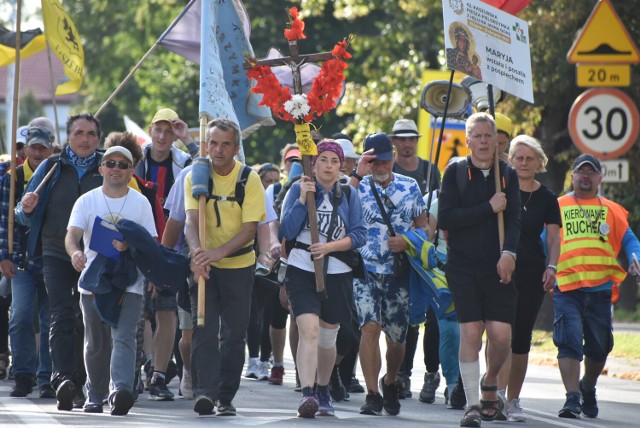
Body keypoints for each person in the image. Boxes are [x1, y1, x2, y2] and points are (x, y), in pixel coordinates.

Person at [16, 113, 104, 411]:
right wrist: (26, 208)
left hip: (95, 255)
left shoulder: (108, 167)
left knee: (87, 318)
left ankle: (82, 382)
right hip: (54, 251)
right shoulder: (52, 166)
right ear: (68, 137)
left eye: (91, 134)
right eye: (79, 133)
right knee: (61, 314)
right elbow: (21, 212)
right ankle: (63, 378)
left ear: (98, 139)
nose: (85, 139)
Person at [438, 112, 521, 427]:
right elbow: (447, 218)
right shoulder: (456, 172)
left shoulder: (508, 175)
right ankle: (472, 404)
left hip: (497, 264)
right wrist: (488, 207)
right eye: (478, 136)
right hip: (462, 265)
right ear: (468, 139)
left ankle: (490, 381)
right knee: (471, 331)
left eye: (489, 136)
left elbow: (513, 219)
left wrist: (509, 253)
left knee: (501, 336)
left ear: (497, 141)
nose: (485, 142)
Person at [65, 146, 156, 415]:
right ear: (101, 169)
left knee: (125, 337)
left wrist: (131, 246)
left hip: (130, 281)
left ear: (131, 172)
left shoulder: (141, 202)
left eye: (124, 164)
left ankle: (120, 392)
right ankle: (95, 394)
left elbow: (150, 242)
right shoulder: (86, 201)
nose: (116, 168)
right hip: (93, 280)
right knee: (96, 342)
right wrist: (76, 253)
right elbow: (72, 235)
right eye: (111, 163)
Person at [185, 118, 266, 416]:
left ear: (235, 148)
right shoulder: (196, 175)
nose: (218, 150)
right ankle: (204, 392)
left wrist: (216, 253)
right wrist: (197, 254)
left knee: (233, 335)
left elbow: (249, 230)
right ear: (207, 145)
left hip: (238, 265)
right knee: (203, 328)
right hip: (204, 265)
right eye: (213, 143)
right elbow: (191, 222)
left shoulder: (249, 178)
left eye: (225, 144)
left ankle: (225, 396)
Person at [280, 140, 366, 417]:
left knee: (328, 337)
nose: (328, 166)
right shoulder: (298, 189)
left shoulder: (350, 195)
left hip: (337, 271)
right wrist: (304, 200)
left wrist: (330, 247)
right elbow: (287, 231)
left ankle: (323, 387)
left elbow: (359, 235)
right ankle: (307, 394)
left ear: (342, 166)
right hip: (301, 268)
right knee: (308, 330)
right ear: (313, 163)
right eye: (323, 160)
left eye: (334, 161)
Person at [554, 154, 640, 419]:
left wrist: (636, 259)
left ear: (600, 178)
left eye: (591, 172)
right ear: (573, 175)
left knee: (599, 347)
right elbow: (542, 240)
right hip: (566, 286)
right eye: (581, 171)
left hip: (601, 289)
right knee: (568, 342)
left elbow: (630, 241)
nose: (586, 176)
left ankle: (588, 385)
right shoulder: (557, 206)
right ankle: (572, 398)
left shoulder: (612, 209)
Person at [348, 133, 428, 416]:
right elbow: (339, 204)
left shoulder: (410, 186)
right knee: (369, 327)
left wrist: (407, 241)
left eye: (383, 160)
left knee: (396, 338)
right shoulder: (355, 186)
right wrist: (358, 173)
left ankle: (390, 380)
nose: (379, 167)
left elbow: (424, 227)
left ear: (392, 157)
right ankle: (372, 394)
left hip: (398, 272)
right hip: (365, 270)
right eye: (373, 161)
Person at [498, 135, 561, 422]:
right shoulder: (501, 190)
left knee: (521, 336)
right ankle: (494, 393)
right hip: (499, 270)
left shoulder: (547, 197)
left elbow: (553, 238)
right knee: (500, 334)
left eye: (529, 158)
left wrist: (552, 267)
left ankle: (513, 400)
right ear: (510, 161)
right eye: (518, 158)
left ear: (539, 162)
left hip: (532, 271)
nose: (523, 163)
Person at [135, 108, 194, 401]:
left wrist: (188, 139)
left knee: (167, 309)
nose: (162, 136)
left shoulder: (183, 163)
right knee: (141, 310)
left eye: (169, 131)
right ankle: (143, 365)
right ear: (150, 130)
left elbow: (208, 169)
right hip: (139, 245)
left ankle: (158, 374)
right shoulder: (134, 161)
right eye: (158, 130)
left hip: (171, 246)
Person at [1, 124, 55, 398]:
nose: (37, 152)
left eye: (42, 147)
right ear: (25, 149)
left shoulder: (58, 173)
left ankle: (47, 377)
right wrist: (3, 256)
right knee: (20, 315)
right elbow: (3, 219)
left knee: (50, 320)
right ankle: (23, 374)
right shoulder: (13, 177)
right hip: (22, 259)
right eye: (33, 146)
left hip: (52, 260)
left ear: (51, 148)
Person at [390, 118, 440, 399]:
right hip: (395, 252)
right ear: (394, 141)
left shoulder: (431, 170)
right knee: (405, 317)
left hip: (424, 252)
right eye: (401, 138)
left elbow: (437, 208)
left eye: (411, 138)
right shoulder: (389, 168)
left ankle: (431, 373)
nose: (406, 143)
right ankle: (402, 374)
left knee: (430, 315)